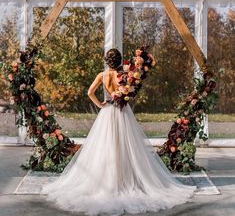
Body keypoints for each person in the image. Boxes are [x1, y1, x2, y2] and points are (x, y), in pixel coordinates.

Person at [42, 48, 196, 215]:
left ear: (106, 60)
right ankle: (127, 177)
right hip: (123, 112)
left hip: (107, 112)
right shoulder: (125, 75)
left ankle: (107, 179)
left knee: (105, 145)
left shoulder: (102, 75)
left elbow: (89, 92)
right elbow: (130, 91)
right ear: (120, 60)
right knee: (127, 144)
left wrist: (100, 104)